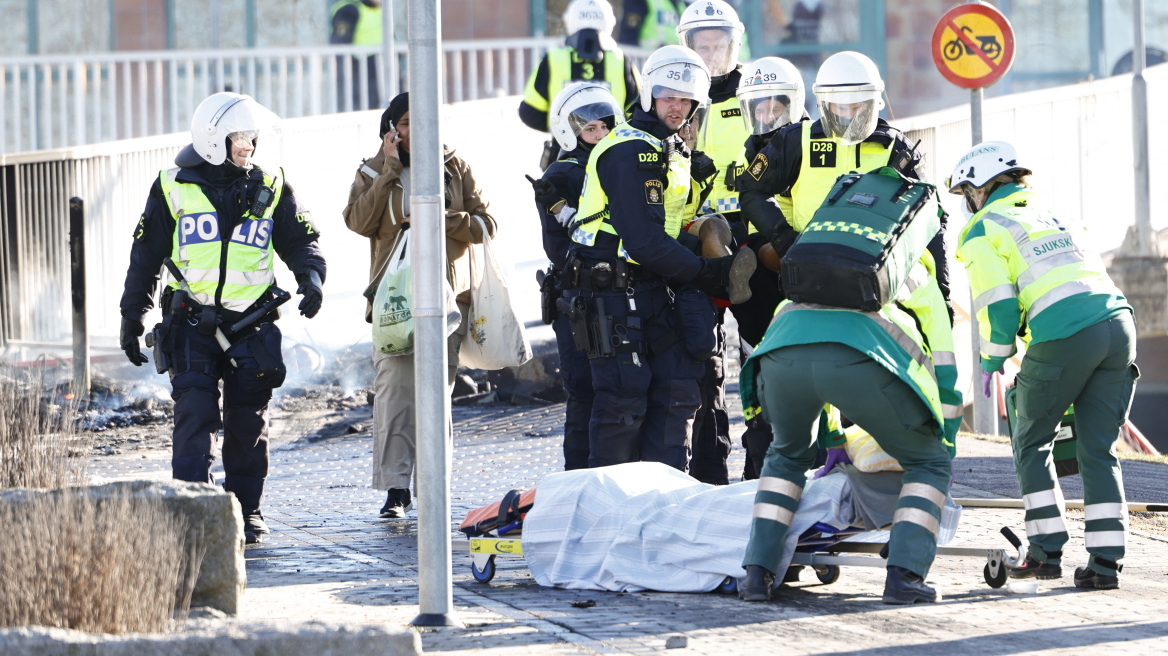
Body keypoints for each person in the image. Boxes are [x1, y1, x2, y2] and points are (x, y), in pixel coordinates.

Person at [118, 92, 326, 544]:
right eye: (241, 137)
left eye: (253, 136)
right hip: (191, 324)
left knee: (248, 421)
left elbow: (300, 241)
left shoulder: (272, 186)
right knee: (194, 413)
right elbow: (146, 256)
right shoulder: (172, 186)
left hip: (252, 324)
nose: (250, 145)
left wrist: (311, 277)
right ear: (214, 139)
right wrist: (132, 316)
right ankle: (194, 512)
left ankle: (245, 512)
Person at [947, 141, 1137, 590]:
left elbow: (999, 306)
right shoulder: (1057, 213)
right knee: (1098, 449)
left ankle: (1044, 552)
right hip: (1119, 326)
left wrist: (992, 359)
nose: (967, 204)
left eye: (966, 194)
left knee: (1032, 442)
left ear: (979, 188)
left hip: (1064, 334)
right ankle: (1105, 565)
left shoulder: (982, 227)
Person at [565, 45, 757, 472]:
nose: (678, 106)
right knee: (623, 400)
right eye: (669, 96)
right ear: (650, 93)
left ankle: (666, 501)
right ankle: (607, 509)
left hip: (653, 285)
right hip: (610, 289)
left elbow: (672, 226)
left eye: (687, 99)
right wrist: (708, 273)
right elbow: (643, 240)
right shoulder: (628, 150)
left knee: (679, 391)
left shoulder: (671, 148)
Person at [737, 254, 962, 604]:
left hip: (781, 348)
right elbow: (943, 361)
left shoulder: (817, 258)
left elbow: (816, 362)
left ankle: (756, 573)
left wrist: (834, 437)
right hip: (861, 354)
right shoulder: (915, 265)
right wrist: (944, 438)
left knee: (785, 457)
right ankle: (905, 576)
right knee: (927, 463)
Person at [342, 92, 497, 518]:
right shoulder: (372, 169)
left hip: (447, 299)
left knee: (436, 395)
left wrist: (441, 219)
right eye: (407, 122)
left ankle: (433, 486)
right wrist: (390, 169)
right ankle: (395, 490)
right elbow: (357, 221)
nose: (416, 130)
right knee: (393, 393)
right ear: (392, 127)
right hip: (393, 299)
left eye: (423, 121)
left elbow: (487, 225)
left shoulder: (455, 167)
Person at [736, 51, 951, 311]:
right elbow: (751, 189)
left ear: (874, 103)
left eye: (857, 106)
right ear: (824, 105)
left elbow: (932, 218)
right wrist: (785, 240)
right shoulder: (797, 140)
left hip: (878, 273)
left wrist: (944, 295)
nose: (849, 116)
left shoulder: (896, 147)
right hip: (811, 270)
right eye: (840, 107)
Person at [528, 83, 625, 470]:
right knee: (584, 391)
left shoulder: (620, 161)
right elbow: (558, 248)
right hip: (578, 302)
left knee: (616, 391)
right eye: (590, 129)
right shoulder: (562, 175)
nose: (599, 135)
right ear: (571, 133)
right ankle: (577, 480)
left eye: (605, 127)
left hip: (615, 293)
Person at [673, 0, 747, 485]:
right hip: (697, 236)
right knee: (704, 360)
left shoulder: (758, 92)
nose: (712, 54)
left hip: (752, 233)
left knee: (763, 353)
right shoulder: (678, 103)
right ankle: (709, 471)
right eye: (703, 46)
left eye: (719, 45)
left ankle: (766, 473)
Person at [730, 56, 808, 480]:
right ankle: (756, 464)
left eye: (773, 107)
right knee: (757, 372)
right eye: (757, 108)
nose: (765, 116)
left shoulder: (811, 143)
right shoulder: (752, 151)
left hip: (804, 265)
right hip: (769, 273)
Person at [520, 0, 640, 168]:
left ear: (569, 21)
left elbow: (530, 113)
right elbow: (639, 113)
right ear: (610, 23)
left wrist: (564, 129)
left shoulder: (553, 59)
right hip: (614, 158)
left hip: (562, 160)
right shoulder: (621, 61)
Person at [330, 0, 384, 110]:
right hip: (363, 77)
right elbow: (340, 47)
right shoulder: (349, 9)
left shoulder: (380, 9)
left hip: (381, 74)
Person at [617, 0, 686, 48]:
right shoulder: (638, 2)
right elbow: (628, 35)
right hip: (645, 58)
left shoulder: (679, 2)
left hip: (674, 56)